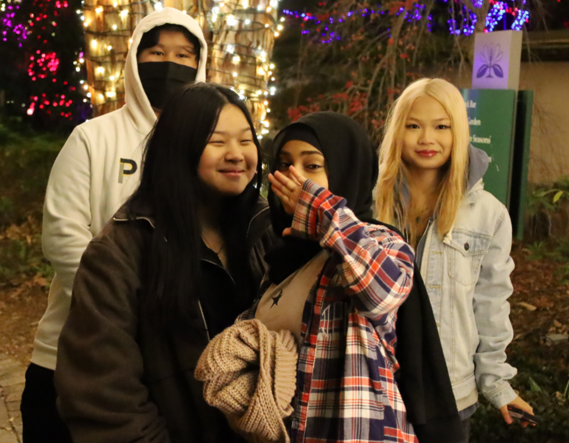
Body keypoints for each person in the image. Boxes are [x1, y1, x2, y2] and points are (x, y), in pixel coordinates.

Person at [21, 7, 208, 443]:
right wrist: (125, 306)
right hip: (72, 355)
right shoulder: (92, 138)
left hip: (170, 363)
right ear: (133, 60)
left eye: (184, 55)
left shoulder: (209, 147)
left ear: (200, 65)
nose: (171, 64)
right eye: (157, 52)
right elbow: (63, 237)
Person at [53, 83, 275, 443]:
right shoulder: (119, 252)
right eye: (217, 141)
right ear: (178, 149)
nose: (236, 154)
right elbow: (103, 396)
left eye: (246, 140)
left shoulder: (270, 231)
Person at [199, 112, 419, 442]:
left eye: (312, 166)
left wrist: (321, 208)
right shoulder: (283, 254)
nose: (295, 177)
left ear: (346, 169)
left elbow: (383, 295)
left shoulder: (378, 241)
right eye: (284, 164)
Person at [375, 78, 535, 441]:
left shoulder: (488, 215)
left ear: (459, 132)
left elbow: (491, 305)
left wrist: (496, 384)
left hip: (450, 391)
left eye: (441, 126)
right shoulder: (371, 201)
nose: (426, 138)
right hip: (373, 383)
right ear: (398, 130)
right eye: (414, 125)